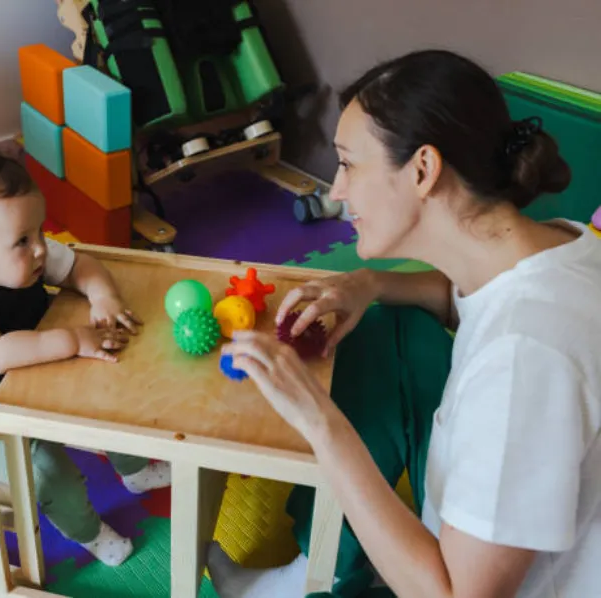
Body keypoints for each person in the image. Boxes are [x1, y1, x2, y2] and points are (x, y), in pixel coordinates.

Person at [208, 49, 601, 598]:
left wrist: (321, 422)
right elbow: (469, 299)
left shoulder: (525, 357)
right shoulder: (561, 242)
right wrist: (368, 285)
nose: (337, 190)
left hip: (469, 583)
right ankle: (311, 566)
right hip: (489, 520)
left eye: (347, 163)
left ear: (422, 169)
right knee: (389, 334)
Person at [0, 146, 170, 567]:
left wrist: (102, 295)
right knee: (50, 476)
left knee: (112, 395)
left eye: (39, 231)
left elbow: (80, 265)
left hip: (50, 372)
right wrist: (73, 340)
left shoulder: (20, 255)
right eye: (24, 240)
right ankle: (88, 532)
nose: (41, 248)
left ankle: (133, 470)